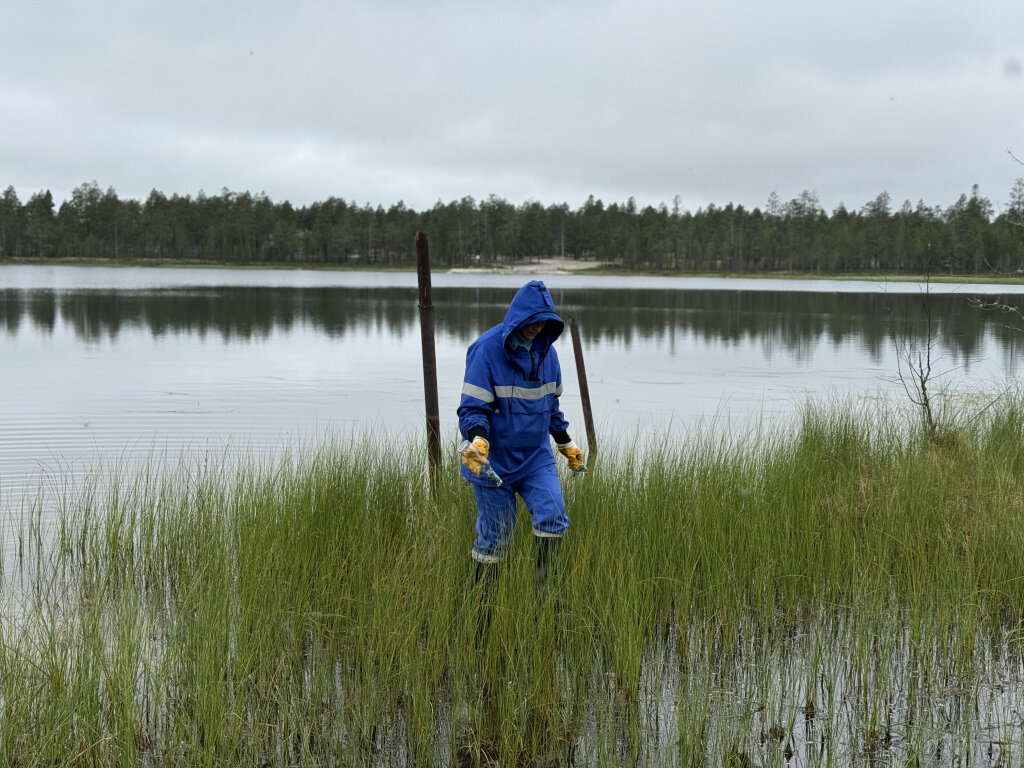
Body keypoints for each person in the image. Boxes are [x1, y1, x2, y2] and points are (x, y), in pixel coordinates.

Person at [457, 280, 585, 589]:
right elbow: (472, 409)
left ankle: (546, 597)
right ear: (518, 317)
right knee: (496, 536)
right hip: (493, 461)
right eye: (531, 321)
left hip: (534, 458)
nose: (537, 328)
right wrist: (477, 439)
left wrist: (565, 443)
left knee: (553, 515)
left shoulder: (548, 356)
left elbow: (550, 405)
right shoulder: (486, 350)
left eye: (544, 322)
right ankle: (481, 608)